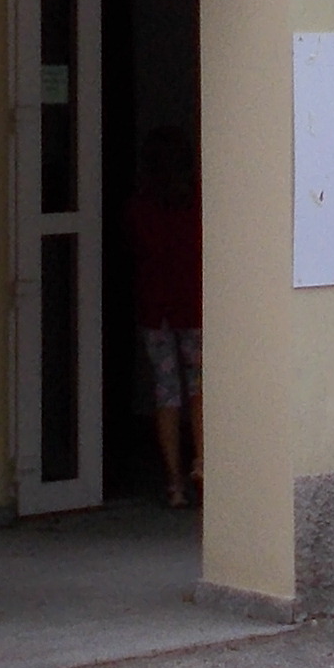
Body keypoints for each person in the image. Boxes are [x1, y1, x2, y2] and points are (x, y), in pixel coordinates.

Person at [130, 126, 204, 509]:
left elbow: (138, 249)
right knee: (199, 389)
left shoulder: (142, 203)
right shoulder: (198, 201)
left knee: (167, 393)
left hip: (155, 307)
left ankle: (174, 483)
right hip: (194, 305)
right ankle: (204, 467)